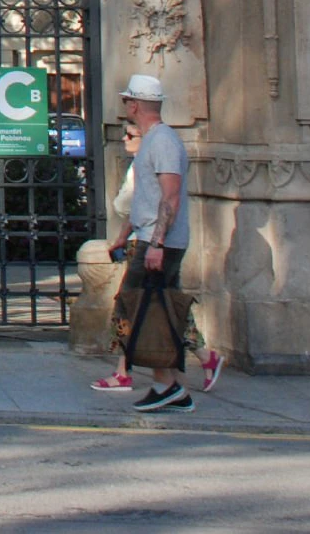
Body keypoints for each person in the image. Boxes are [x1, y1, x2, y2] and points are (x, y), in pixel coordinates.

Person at [91, 117, 222, 396]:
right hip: (144, 238)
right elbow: (140, 209)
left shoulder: (151, 161)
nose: (124, 139)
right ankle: (202, 357)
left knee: (132, 304)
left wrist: (155, 244)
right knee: (166, 306)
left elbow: (162, 203)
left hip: (152, 242)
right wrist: (124, 237)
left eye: (130, 134)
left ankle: (131, 374)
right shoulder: (141, 165)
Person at [106, 73, 208, 412]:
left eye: (126, 102)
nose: (125, 108)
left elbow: (171, 196)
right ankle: (169, 386)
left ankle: (167, 386)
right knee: (153, 311)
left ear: (134, 104)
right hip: (153, 238)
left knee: (137, 311)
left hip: (158, 242)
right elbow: (149, 200)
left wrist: (157, 244)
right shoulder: (153, 140)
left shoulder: (162, 141)